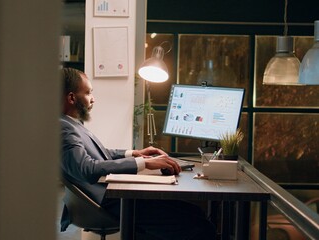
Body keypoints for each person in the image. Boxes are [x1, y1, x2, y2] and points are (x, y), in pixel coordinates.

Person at [60, 67, 216, 239]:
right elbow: (86, 168)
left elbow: (100, 154)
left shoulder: (70, 123)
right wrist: (145, 163)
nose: (93, 99)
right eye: (88, 93)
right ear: (72, 98)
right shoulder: (64, 128)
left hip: (112, 195)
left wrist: (134, 153)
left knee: (193, 211)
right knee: (197, 223)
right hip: (109, 201)